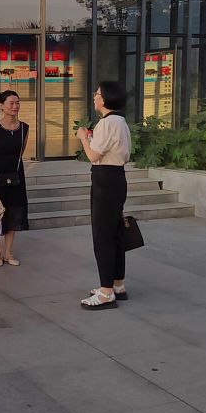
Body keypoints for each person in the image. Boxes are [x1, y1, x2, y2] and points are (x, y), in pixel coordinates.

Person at [76, 82, 132, 310]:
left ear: (106, 98)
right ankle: (117, 284)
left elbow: (93, 155)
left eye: (97, 94)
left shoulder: (108, 122)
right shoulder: (120, 121)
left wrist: (83, 137)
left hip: (105, 180)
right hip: (116, 178)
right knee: (114, 233)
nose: (94, 97)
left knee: (103, 236)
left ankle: (106, 292)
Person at [0, 90, 29, 267]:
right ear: (1, 106)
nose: (15, 106)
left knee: (14, 213)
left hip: (16, 176)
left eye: (17, 103)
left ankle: (8, 252)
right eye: (11, 103)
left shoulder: (24, 128)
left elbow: (20, 152)